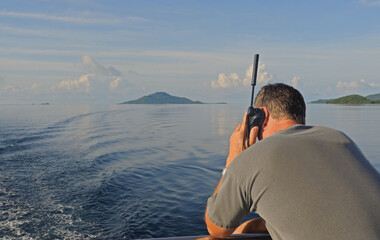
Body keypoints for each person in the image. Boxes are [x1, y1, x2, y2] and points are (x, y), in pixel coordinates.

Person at [205, 83, 380, 239]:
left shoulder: (253, 157)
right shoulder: (340, 138)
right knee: (250, 227)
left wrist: (232, 161)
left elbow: (217, 228)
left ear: (261, 115)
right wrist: (257, 225)